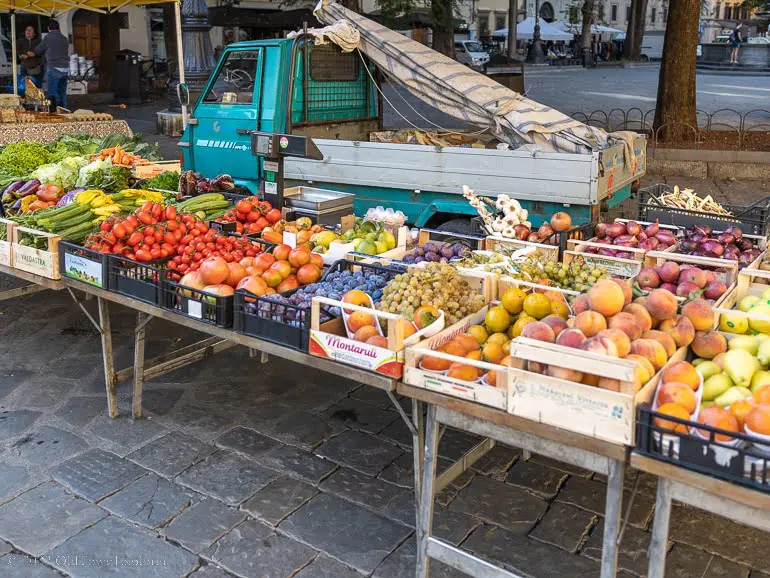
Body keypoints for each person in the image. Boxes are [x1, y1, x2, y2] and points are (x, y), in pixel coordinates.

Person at [31, 20, 70, 108]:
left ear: (49, 28)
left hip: (54, 67)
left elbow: (38, 50)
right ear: (58, 28)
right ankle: (64, 109)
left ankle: (55, 109)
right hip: (65, 67)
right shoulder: (64, 38)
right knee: (62, 91)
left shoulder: (48, 37)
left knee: (53, 91)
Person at [17, 25, 42, 93]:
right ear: (25, 32)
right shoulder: (20, 41)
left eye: (30, 30)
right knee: (23, 86)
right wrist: (20, 55)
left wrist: (35, 53)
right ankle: (25, 100)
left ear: (34, 33)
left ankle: (37, 101)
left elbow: (42, 52)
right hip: (24, 66)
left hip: (35, 67)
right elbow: (17, 51)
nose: (28, 31)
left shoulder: (38, 41)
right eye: (27, 30)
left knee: (35, 86)